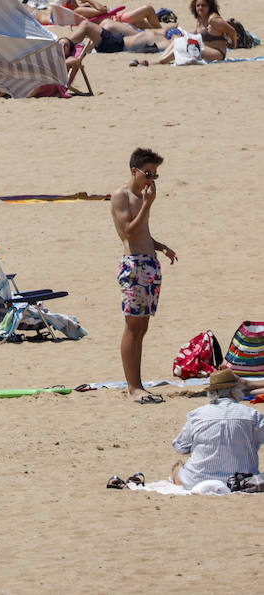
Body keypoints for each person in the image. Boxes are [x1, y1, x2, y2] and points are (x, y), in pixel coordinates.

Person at [111, 147, 177, 404]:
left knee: (142, 328)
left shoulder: (141, 197)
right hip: (133, 266)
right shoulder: (122, 195)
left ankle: (138, 384)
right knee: (132, 326)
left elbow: (142, 233)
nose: (151, 179)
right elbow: (128, 231)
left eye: (155, 175)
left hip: (149, 264)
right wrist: (148, 204)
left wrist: (161, 247)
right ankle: (132, 387)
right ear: (134, 170)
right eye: (148, 173)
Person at [170, 369, 264, 490]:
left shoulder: (197, 415)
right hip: (242, 481)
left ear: (212, 393)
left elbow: (180, 447)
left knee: (177, 467)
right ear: (234, 392)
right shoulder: (252, 415)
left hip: (197, 480)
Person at [152, 0, 235, 63]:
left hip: (217, 53)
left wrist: (233, 44)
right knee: (177, 41)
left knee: (185, 47)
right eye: (198, 5)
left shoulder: (214, 20)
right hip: (203, 49)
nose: (200, 8)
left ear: (210, 6)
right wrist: (182, 34)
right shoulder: (201, 19)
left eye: (203, 5)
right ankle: (159, 60)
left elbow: (232, 31)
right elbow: (198, 35)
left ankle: (159, 62)